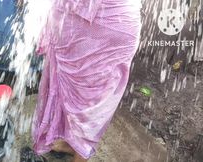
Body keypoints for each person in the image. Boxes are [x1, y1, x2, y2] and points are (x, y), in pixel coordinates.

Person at [31, 0, 142, 162]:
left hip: (106, 23)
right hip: (109, 20)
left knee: (89, 100)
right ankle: (73, 145)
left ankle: (79, 156)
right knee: (92, 99)